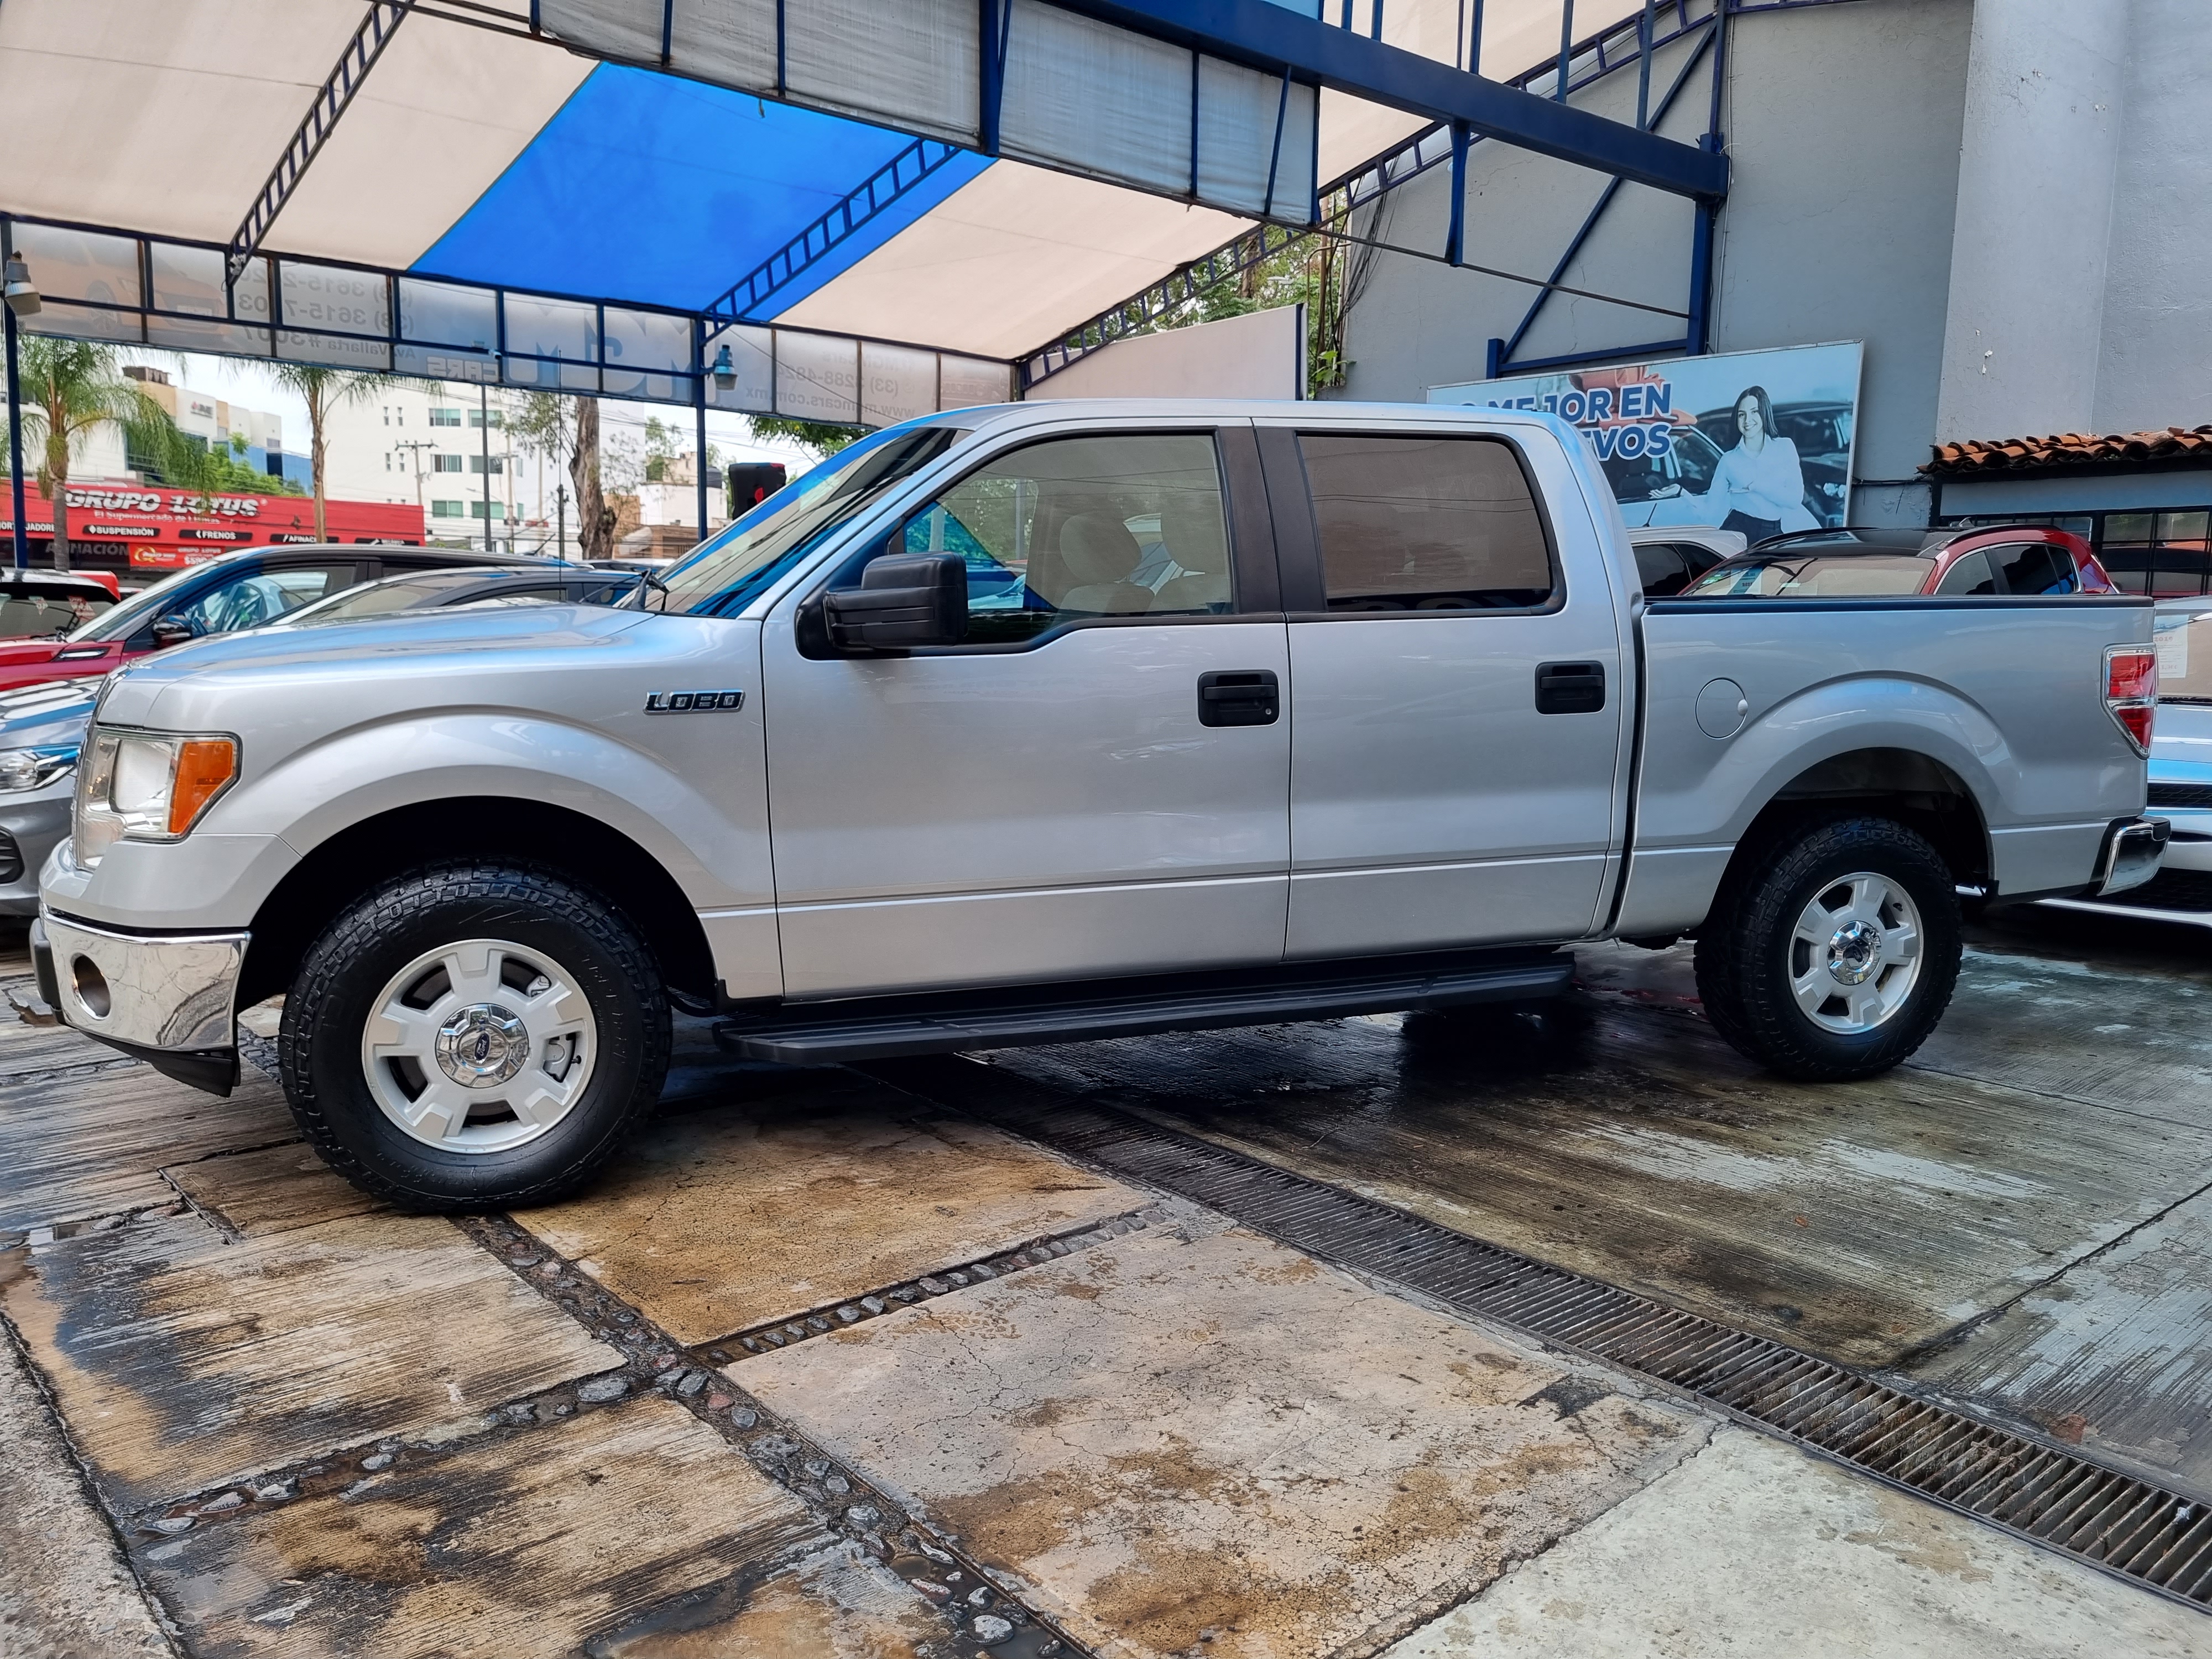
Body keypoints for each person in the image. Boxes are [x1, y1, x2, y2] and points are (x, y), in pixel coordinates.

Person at [1663, 385, 1817, 539]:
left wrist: (1757, 486)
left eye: (1754, 412)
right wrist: (1681, 492)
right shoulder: (1729, 460)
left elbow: (1794, 500)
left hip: (1773, 530)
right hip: (1737, 530)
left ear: (1764, 413)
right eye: (1741, 415)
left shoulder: (1785, 447)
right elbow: (1709, 511)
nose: (1747, 421)